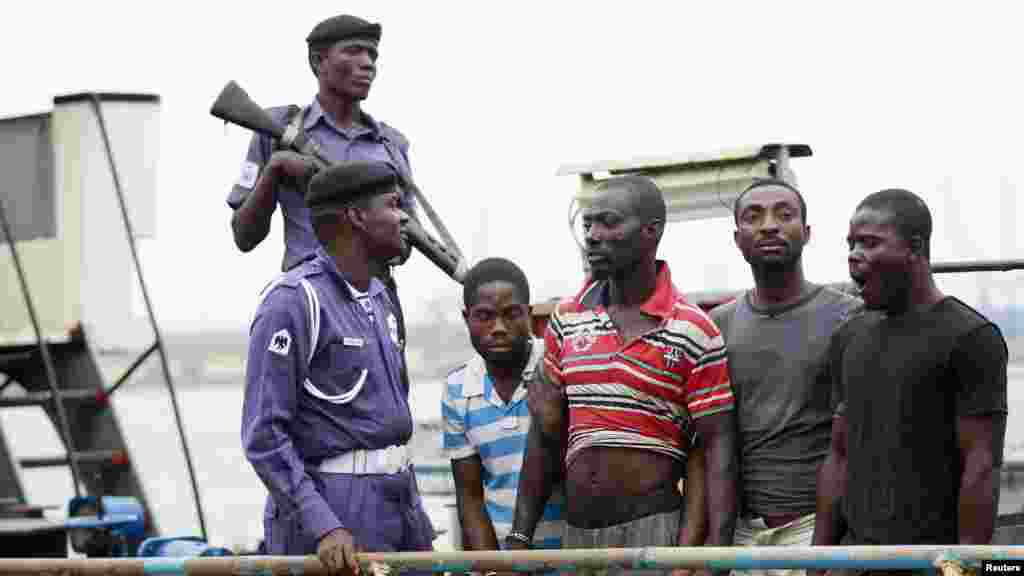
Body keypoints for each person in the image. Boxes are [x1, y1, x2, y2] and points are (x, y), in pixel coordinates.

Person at [509, 175, 738, 576]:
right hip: (578, 538)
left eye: (608, 223)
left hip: (655, 536)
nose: (593, 236)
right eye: (587, 225)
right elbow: (543, 435)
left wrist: (714, 555)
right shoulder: (567, 319)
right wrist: (518, 538)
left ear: (652, 232)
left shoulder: (694, 330)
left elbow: (717, 447)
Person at [242, 161, 434, 576]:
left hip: (399, 502)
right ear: (357, 217)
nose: (404, 217)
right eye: (393, 204)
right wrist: (322, 525)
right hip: (337, 510)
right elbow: (264, 434)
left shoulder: (380, 298)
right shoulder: (293, 301)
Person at [812, 189, 1008, 574]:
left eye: (870, 243)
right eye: (851, 244)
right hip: (855, 560)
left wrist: (963, 567)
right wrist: (818, 559)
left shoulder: (971, 337)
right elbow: (838, 456)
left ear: (915, 248)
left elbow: (981, 465)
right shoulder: (849, 337)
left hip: (930, 562)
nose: (854, 255)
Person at [707, 179, 860, 576]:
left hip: (818, 531)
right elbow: (714, 440)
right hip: (742, 534)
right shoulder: (718, 324)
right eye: (753, 217)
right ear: (737, 238)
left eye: (784, 214)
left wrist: (827, 548)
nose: (769, 225)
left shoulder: (849, 317)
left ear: (807, 234)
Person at [226, 14, 418, 274]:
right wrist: (274, 170)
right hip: (306, 294)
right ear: (318, 61)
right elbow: (244, 237)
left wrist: (373, 222)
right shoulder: (280, 129)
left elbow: (405, 246)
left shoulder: (391, 145)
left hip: (374, 297)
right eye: (353, 51)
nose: (367, 63)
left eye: (372, 55)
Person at [442, 257, 566, 553]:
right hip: (501, 554)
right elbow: (470, 497)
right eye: (484, 316)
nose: (498, 327)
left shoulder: (558, 366)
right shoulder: (457, 389)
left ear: (530, 314)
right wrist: (494, 567)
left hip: (570, 554)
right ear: (466, 317)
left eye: (511, 314)